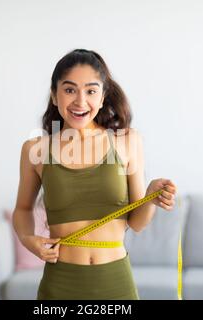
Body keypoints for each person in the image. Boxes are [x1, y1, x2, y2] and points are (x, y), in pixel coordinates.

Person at [12, 49, 177, 300]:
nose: (80, 101)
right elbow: (23, 209)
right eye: (69, 90)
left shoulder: (127, 142)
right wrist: (27, 239)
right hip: (60, 283)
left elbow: (137, 223)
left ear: (102, 98)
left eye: (90, 91)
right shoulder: (35, 150)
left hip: (115, 282)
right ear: (54, 96)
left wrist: (151, 195)